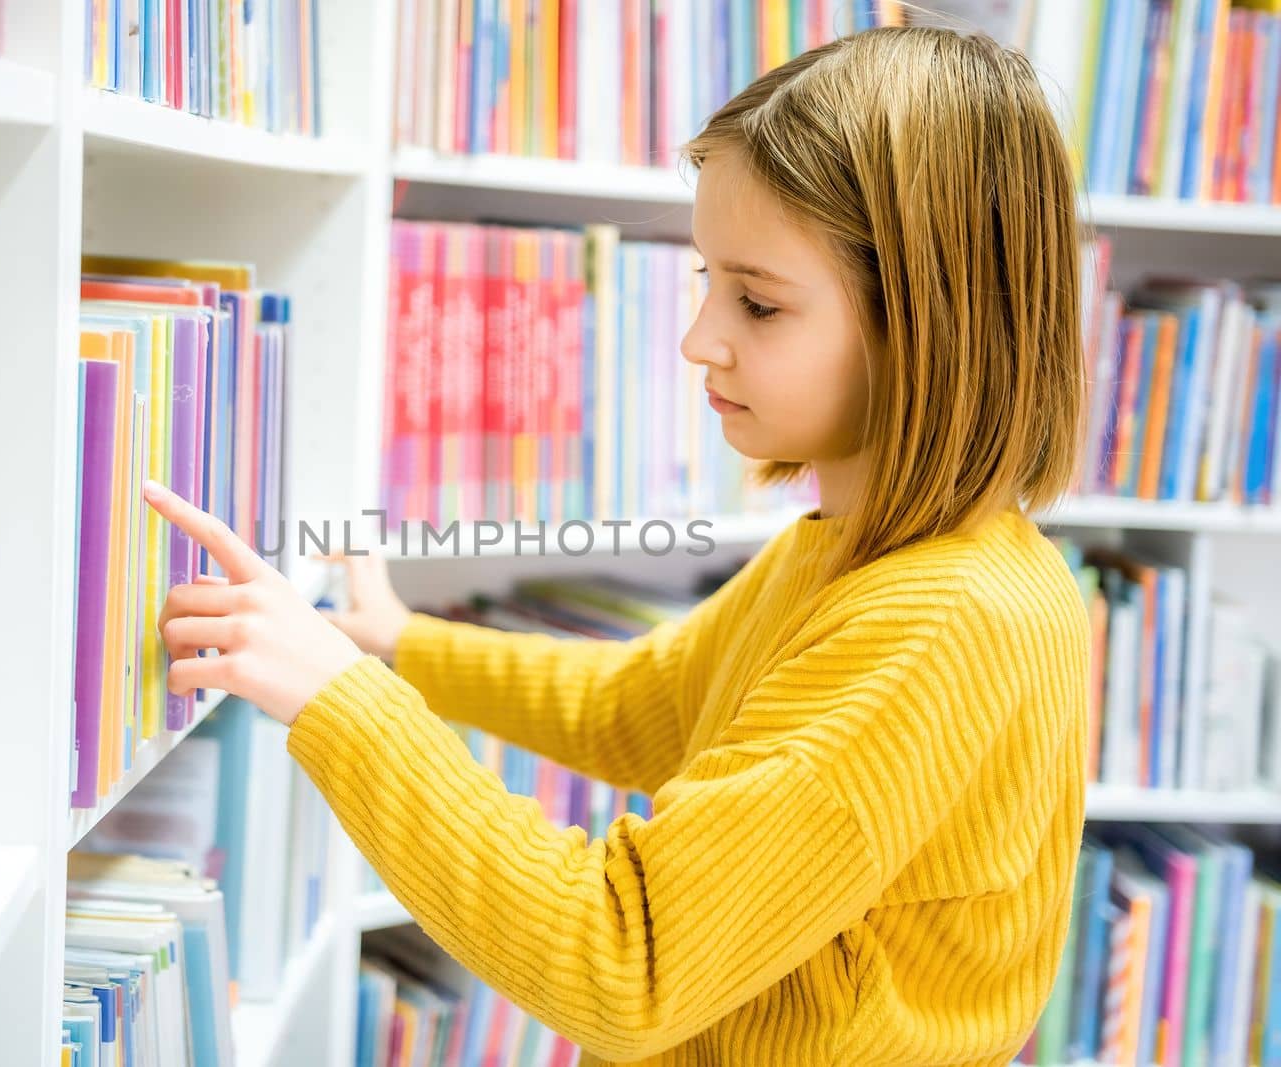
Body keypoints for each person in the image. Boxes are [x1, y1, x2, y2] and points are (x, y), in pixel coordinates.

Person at [143, 24, 1090, 1066]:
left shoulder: (942, 620)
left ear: (930, 318)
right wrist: (400, 643)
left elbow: (625, 963)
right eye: (706, 281)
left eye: (759, 302)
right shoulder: (849, 551)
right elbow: (636, 707)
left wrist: (341, 702)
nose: (698, 339)